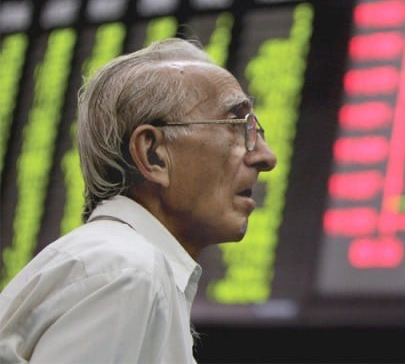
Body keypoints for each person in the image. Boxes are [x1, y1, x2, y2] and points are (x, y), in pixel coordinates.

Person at [0, 38, 277, 363]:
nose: (266, 157)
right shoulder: (127, 271)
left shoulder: (122, 265)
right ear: (153, 154)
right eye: (238, 126)